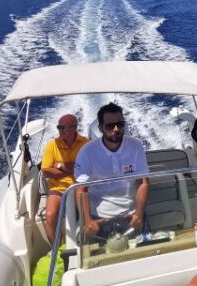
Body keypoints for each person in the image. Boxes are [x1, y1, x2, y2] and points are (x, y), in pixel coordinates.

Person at [74, 102, 150, 239]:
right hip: (98, 218)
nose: (116, 129)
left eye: (120, 124)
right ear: (100, 128)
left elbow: (143, 182)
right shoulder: (87, 152)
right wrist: (88, 221)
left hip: (131, 214)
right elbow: (80, 189)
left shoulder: (136, 146)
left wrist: (138, 215)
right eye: (110, 126)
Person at [40, 114, 88, 244]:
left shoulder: (85, 143)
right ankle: (56, 248)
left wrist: (60, 166)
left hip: (80, 185)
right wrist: (72, 169)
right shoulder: (52, 145)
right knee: (50, 215)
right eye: (58, 127)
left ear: (74, 128)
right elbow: (46, 171)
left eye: (63, 128)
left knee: (86, 214)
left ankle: (86, 240)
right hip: (58, 188)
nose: (59, 131)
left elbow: (86, 168)